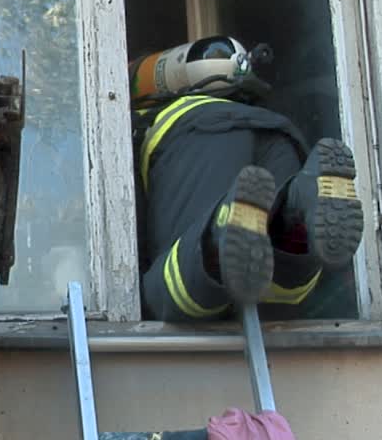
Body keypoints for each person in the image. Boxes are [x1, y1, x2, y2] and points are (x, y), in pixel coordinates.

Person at [132, 65, 365, 322]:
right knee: (273, 291)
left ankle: (217, 235)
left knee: (168, 292)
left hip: (196, 133)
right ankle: (293, 207)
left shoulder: (119, 121)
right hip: (277, 133)